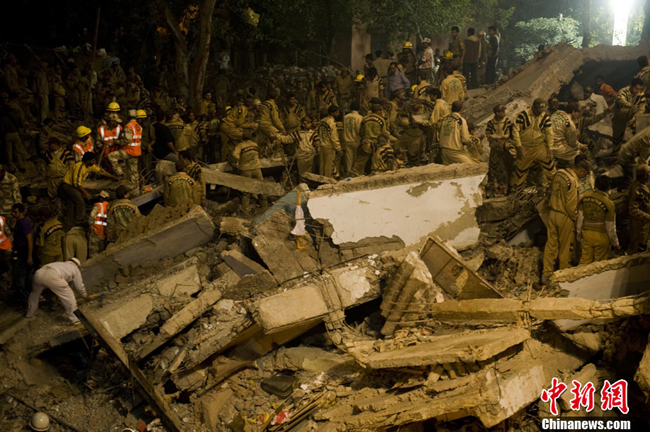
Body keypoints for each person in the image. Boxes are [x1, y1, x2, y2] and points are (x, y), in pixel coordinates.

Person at [542, 159, 591, 284]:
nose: (582, 177)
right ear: (581, 170)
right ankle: (562, 275)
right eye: (583, 175)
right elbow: (570, 205)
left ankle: (546, 273)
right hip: (565, 216)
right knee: (564, 247)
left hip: (552, 213)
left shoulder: (559, 173)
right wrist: (575, 218)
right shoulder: (572, 181)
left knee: (550, 245)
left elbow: (549, 190)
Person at [59, 152, 120, 231]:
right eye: (93, 160)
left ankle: (70, 223)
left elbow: (101, 171)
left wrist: (114, 177)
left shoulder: (90, 166)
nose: (94, 161)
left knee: (72, 203)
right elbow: (76, 184)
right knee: (80, 200)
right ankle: (79, 220)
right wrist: (86, 193)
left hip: (74, 186)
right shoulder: (79, 167)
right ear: (88, 161)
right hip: (68, 186)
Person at [510, 98, 556, 190]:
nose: (540, 113)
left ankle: (555, 187)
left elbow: (549, 133)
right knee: (520, 171)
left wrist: (550, 147)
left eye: (542, 111)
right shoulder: (522, 116)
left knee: (550, 168)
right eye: (538, 110)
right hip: (525, 148)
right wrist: (519, 146)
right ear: (533, 107)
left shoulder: (545, 117)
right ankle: (516, 191)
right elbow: (515, 131)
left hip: (539, 147)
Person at [26, 258, 88, 323]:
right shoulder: (75, 269)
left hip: (39, 273)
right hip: (52, 275)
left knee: (34, 294)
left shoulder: (60, 263)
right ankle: (75, 319)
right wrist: (85, 295)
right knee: (69, 297)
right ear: (78, 265)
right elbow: (79, 287)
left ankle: (30, 313)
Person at [577, 175, 620, 265]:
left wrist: (578, 233)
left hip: (587, 234)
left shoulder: (585, 197)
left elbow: (580, 217)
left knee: (584, 262)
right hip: (601, 236)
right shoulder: (609, 204)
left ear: (595, 185)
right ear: (608, 187)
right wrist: (615, 244)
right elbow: (610, 227)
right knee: (599, 265)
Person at [230, 130, 267, 215]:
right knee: (261, 187)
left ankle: (245, 210)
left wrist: (236, 162)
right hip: (257, 168)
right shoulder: (255, 144)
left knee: (246, 191)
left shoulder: (240, 146)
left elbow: (235, 155)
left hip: (246, 170)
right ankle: (264, 206)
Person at [109, 109, 143, 192]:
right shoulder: (139, 127)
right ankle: (135, 191)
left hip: (129, 151)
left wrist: (117, 142)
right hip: (137, 151)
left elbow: (128, 140)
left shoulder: (128, 126)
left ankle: (120, 174)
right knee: (133, 173)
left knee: (111, 156)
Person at [485, 104, 515, 196]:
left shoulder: (507, 122)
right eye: (501, 111)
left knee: (504, 168)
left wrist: (502, 137)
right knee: (493, 168)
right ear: (497, 113)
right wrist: (491, 137)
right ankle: (493, 188)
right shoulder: (490, 123)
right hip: (494, 148)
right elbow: (488, 134)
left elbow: (509, 134)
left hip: (504, 148)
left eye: (503, 111)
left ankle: (505, 188)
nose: (503, 113)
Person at [612, 77, 645, 158]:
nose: (637, 91)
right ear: (631, 86)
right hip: (620, 117)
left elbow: (641, 109)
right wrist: (630, 105)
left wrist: (634, 118)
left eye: (639, 89)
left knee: (637, 134)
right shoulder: (624, 91)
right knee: (617, 138)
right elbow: (620, 99)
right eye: (636, 88)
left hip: (632, 117)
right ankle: (614, 156)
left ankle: (633, 156)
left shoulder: (640, 95)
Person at [355, 102, 388, 176]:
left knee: (361, 162)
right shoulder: (381, 120)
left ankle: (356, 175)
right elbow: (384, 133)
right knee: (375, 161)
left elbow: (361, 132)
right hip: (376, 143)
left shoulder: (364, 119)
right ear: (378, 111)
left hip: (366, 143)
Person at [550, 101, 586, 168]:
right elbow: (572, 143)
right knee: (578, 154)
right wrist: (581, 146)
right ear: (573, 112)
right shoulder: (570, 124)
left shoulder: (555, 114)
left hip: (547, 143)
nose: (578, 115)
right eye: (578, 112)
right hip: (556, 148)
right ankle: (564, 168)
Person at [1, 92, 30, 172]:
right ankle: (21, 165)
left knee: (9, 152)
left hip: (7, 134)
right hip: (14, 132)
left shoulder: (2, 115)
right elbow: (19, 122)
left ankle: (12, 167)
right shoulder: (13, 113)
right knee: (17, 150)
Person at [44, 138, 74, 214]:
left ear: (55, 144)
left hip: (63, 178)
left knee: (65, 196)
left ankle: (66, 213)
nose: (49, 146)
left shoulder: (66, 153)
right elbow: (45, 164)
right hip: (52, 179)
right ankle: (54, 213)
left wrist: (70, 176)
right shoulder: (48, 154)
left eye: (50, 144)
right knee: (52, 197)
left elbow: (71, 164)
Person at [11, 203, 33, 301]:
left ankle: (26, 300)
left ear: (21, 212)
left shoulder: (24, 223)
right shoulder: (19, 222)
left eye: (15, 212)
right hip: (19, 250)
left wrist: (29, 256)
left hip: (22, 252)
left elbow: (29, 239)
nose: (13, 214)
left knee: (19, 278)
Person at [628, 164, 650, 254]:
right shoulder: (637, 189)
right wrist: (648, 217)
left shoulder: (643, 185)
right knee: (637, 248)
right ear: (645, 175)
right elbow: (633, 210)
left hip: (644, 224)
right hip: (639, 226)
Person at [257, 88, 286, 156]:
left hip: (260, 124)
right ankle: (277, 154)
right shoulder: (272, 105)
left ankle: (260, 155)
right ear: (276, 97)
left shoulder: (264, 104)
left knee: (261, 142)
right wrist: (282, 128)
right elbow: (275, 119)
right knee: (278, 137)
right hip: (267, 124)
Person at [319, 105, 342, 178]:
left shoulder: (322, 121)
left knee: (322, 164)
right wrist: (338, 148)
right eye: (336, 112)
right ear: (332, 113)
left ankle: (321, 180)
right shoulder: (331, 122)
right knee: (329, 165)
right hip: (329, 146)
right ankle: (328, 181)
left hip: (321, 145)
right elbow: (334, 137)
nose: (338, 114)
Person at [342, 102, 364, 175]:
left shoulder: (345, 117)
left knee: (349, 159)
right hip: (356, 139)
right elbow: (358, 129)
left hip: (347, 140)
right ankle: (356, 173)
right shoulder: (360, 117)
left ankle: (349, 173)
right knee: (356, 158)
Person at [88, 191, 110, 258]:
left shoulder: (98, 205)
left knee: (93, 253)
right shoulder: (109, 206)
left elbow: (92, 216)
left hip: (96, 231)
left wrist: (91, 228)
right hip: (104, 233)